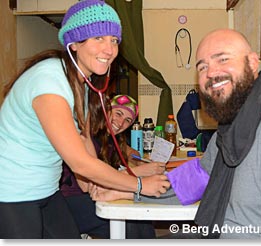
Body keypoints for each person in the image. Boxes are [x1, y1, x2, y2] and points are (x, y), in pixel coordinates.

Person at [134, 28, 261, 239]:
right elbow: (194, 180)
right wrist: (132, 190)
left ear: (252, 63)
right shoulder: (229, 130)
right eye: (203, 67)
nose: (211, 73)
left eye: (222, 59)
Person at [0, 0, 169, 239]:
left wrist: (93, 184)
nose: (109, 49)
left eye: (114, 40)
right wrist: (140, 186)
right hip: (12, 191)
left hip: (46, 189)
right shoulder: (49, 81)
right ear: (75, 43)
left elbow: (85, 140)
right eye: (98, 38)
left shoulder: (83, 85)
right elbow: (79, 162)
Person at [60, 94, 165, 239]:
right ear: (106, 111)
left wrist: (138, 160)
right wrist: (135, 172)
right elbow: (88, 186)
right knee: (129, 222)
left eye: (128, 120)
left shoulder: (111, 139)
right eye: (118, 113)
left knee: (141, 219)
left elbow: (130, 152)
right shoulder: (87, 135)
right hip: (71, 202)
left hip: (96, 197)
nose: (121, 123)